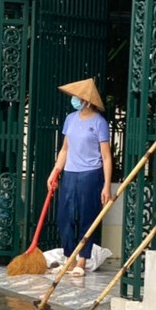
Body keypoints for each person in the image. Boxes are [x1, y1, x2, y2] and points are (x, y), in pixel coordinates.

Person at [47, 77, 112, 278]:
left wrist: (107, 186)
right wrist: (55, 171)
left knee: (87, 216)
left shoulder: (99, 123)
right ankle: (70, 258)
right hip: (70, 173)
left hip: (91, 174)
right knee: (64, 216)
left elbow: (106, 156)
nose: (74, 99)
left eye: (78, 96)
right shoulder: (70, 119)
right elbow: (65, 149)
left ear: (86, 99)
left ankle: (82, 261)